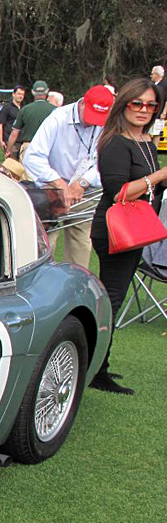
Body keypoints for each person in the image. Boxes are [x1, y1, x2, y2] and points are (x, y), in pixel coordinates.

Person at [88, 78, 167, 395]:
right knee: (111, 301)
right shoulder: (116, 143)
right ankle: (95, 369)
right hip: (115, 231)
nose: (144, 110)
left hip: (138, 230)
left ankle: (99, 366)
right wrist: (160, 176)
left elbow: (151, 187)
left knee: (112, 300)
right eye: (137, 103)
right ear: (124, 104)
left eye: (151, 105)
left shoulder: (146, 141)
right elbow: (118, 191)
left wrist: (159, 181)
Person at [23, 85, 113, 268]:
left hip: (84, 192)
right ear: (81, 104)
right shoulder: (58, 118)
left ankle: (75, 286)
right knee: (45, 244)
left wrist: (82, 182)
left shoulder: (108, 124)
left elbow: (106, 161)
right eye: (90, 116)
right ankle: (41, 285)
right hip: (51, 191)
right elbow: (33, 157)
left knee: (81, 244)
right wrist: (59, 184)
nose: (92, 123)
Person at [5, 80, 54, 161]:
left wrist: (8, 150)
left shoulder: (24, 110)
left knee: (26, 173)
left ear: (32, 92)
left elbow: (14, 133)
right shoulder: (54, 110)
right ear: (47, 92)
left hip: (29, 147)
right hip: (48, 147)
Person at [0, 85, 25, 154]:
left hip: (22, 141)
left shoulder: (24, 109)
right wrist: (1, 140)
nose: (20, 96)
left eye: (22, 94)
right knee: (11, 163)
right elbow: (0, 124)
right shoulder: (7, 108)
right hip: (10, 142)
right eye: (18, 94)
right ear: (13, 94)